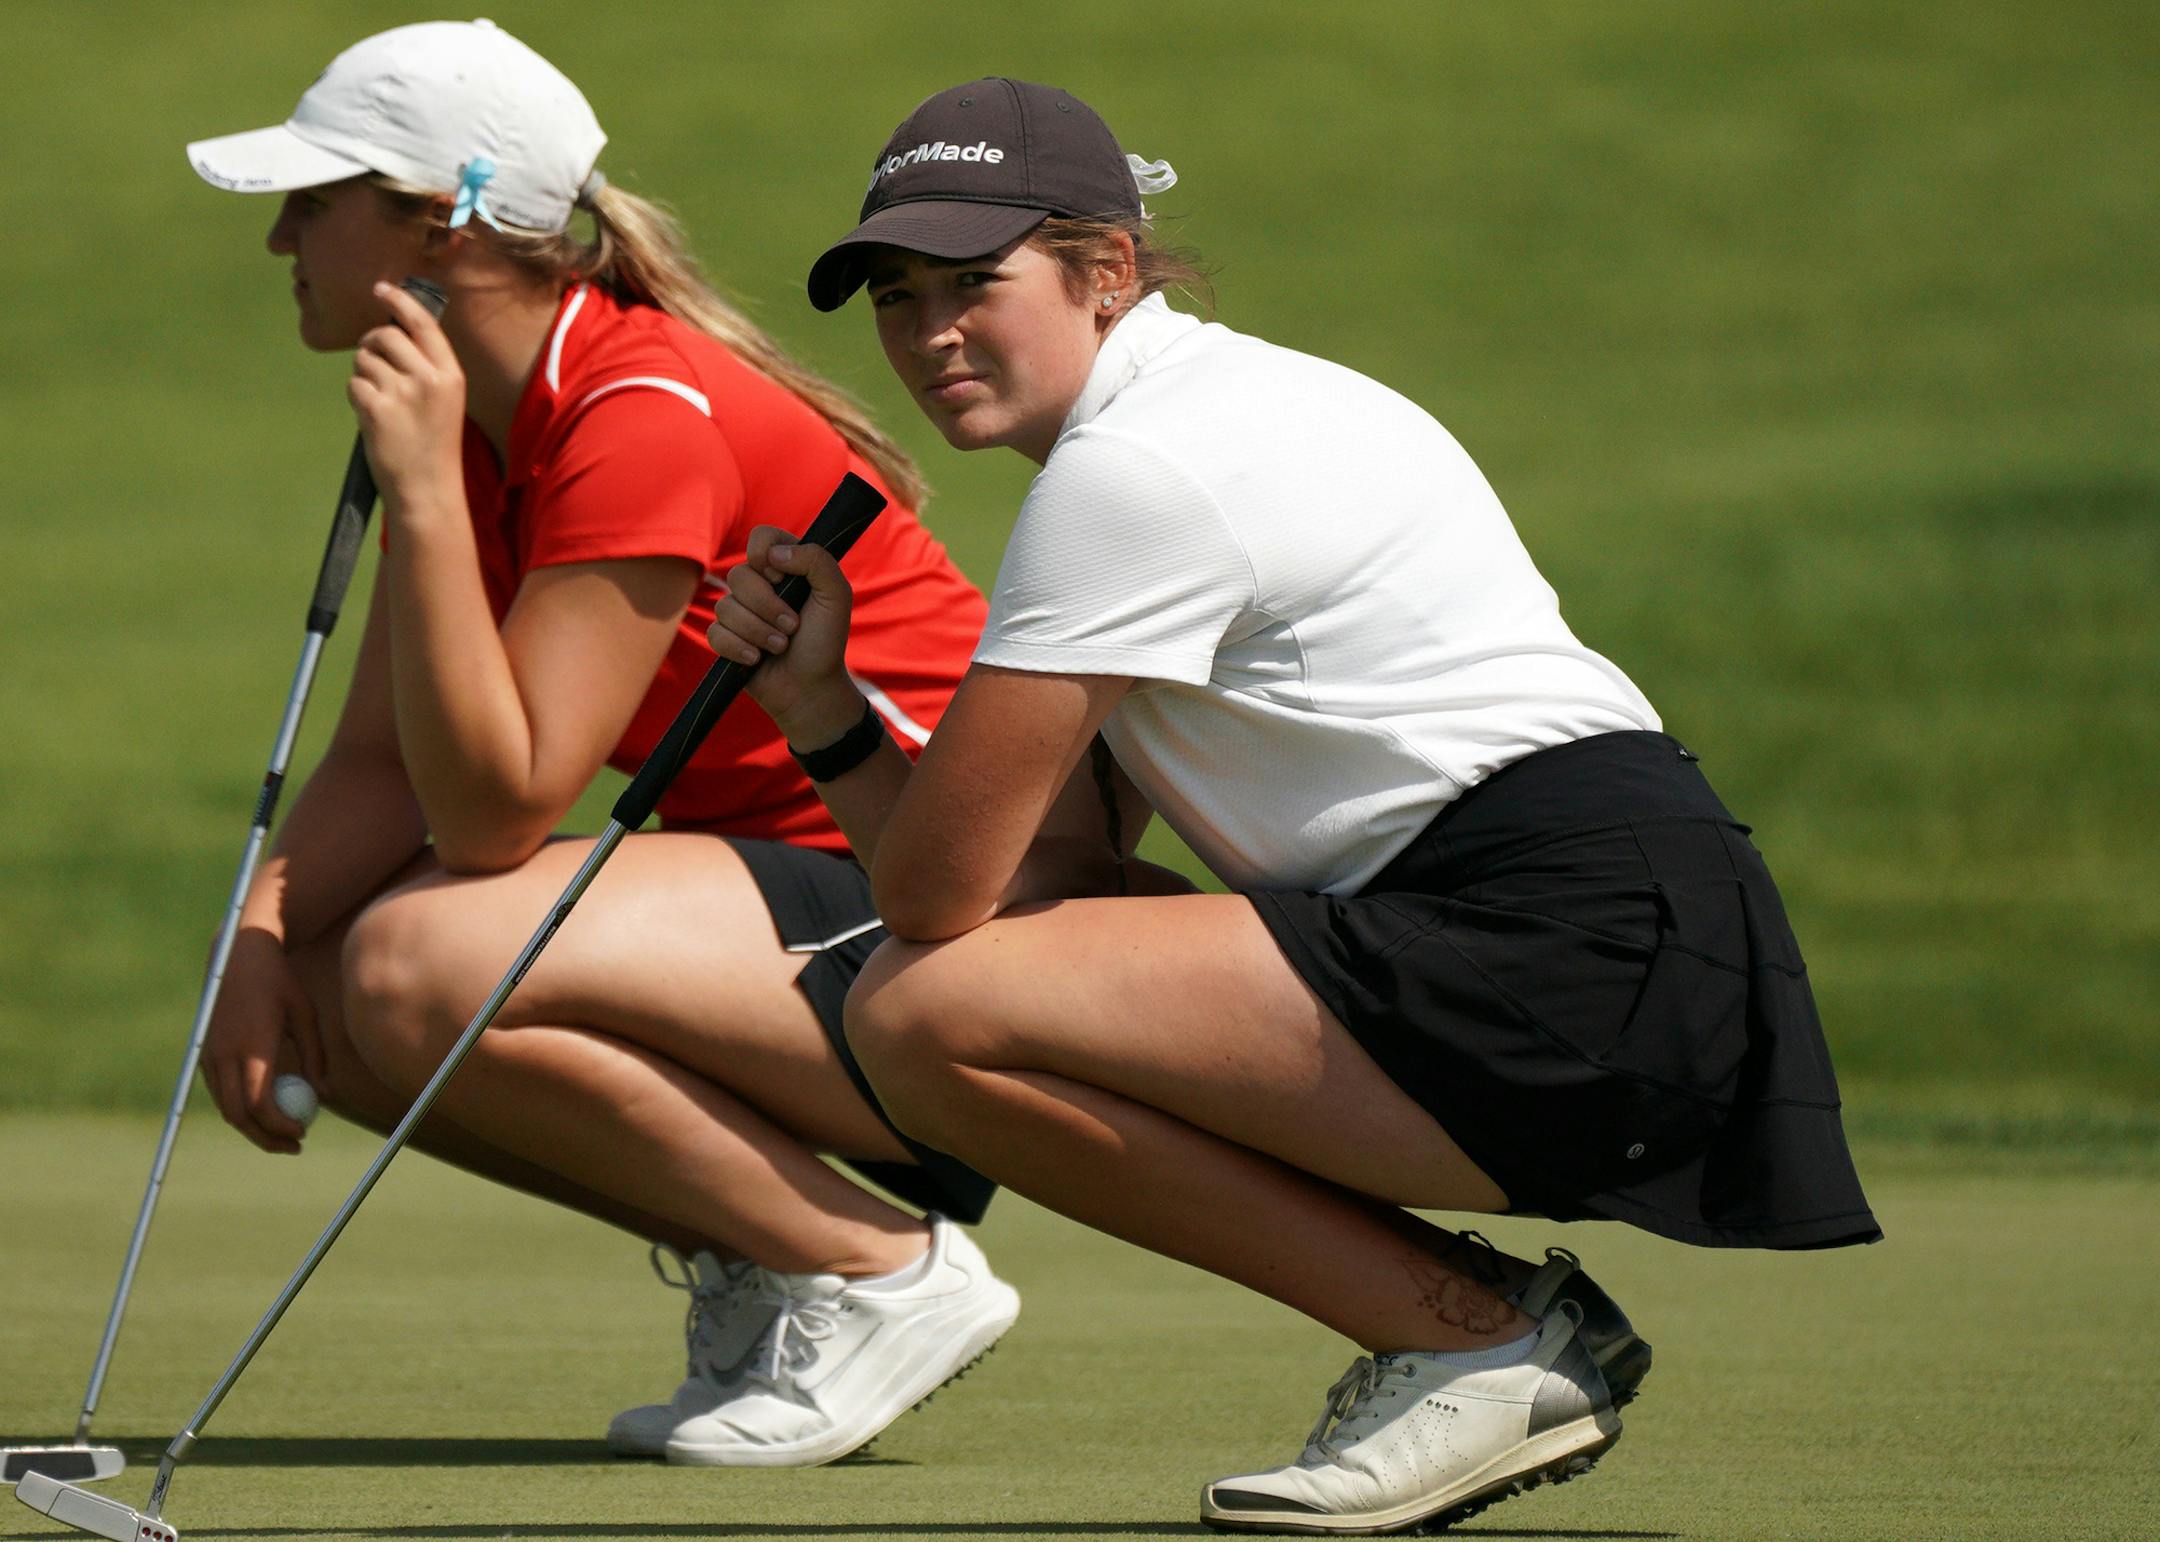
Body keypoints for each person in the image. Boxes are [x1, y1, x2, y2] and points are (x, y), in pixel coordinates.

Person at [709, 77, 1881, 1533]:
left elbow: (939, 907)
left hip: (1559, 941)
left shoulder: (1132, 474)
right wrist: (825, 709)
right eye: (895, 293)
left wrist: (824, 722)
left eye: (972, 282)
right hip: (1620, 923)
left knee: (910, 1011)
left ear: (1106, 273)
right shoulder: (1212, 409)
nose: (929, 329)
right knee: (939, 992)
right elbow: (1042, 878)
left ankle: (1476, 1339)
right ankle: (1481, 1339)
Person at [182, 23, 1020, 1469]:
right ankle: (766, 1264)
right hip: (790, 921)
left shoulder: (635, 411)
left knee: (420, 959)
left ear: (440, 220)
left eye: (315, 201)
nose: (279, 238)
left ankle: (879, 1266)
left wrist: (430, 499)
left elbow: (498, 814)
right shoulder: (491, 408)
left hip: (953, 936)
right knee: (329, 981)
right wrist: (254, 934)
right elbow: (391, 766)